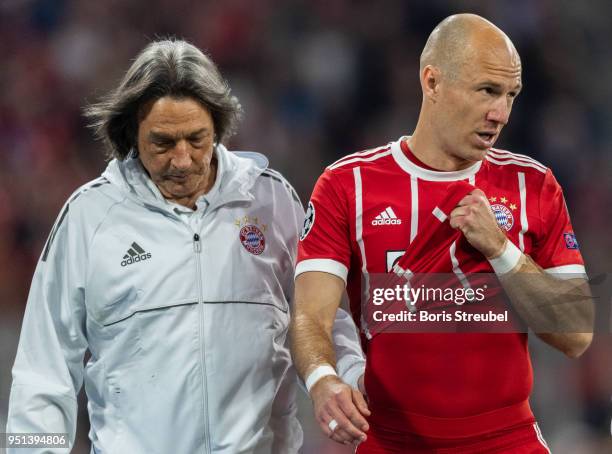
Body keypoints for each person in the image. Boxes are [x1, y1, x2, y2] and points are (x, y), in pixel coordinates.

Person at [6, 39, 366, 454]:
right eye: (162, 143)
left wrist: (351, 377)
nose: (182, 160)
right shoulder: (90, 216)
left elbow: (319, 316)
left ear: (219, 127)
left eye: (197, 139)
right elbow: (42, 371)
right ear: (130, 136)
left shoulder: (271, 201)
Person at [290, 13, 594, 453]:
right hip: (391, 439)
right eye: (488, 90)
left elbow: (576, 334)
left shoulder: (533, 184)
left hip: (507, 440)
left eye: (511, 95)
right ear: (432, 82)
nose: (501, 113)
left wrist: (500, 248)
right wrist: (322, 381)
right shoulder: (347, 184)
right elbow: (310, 316)